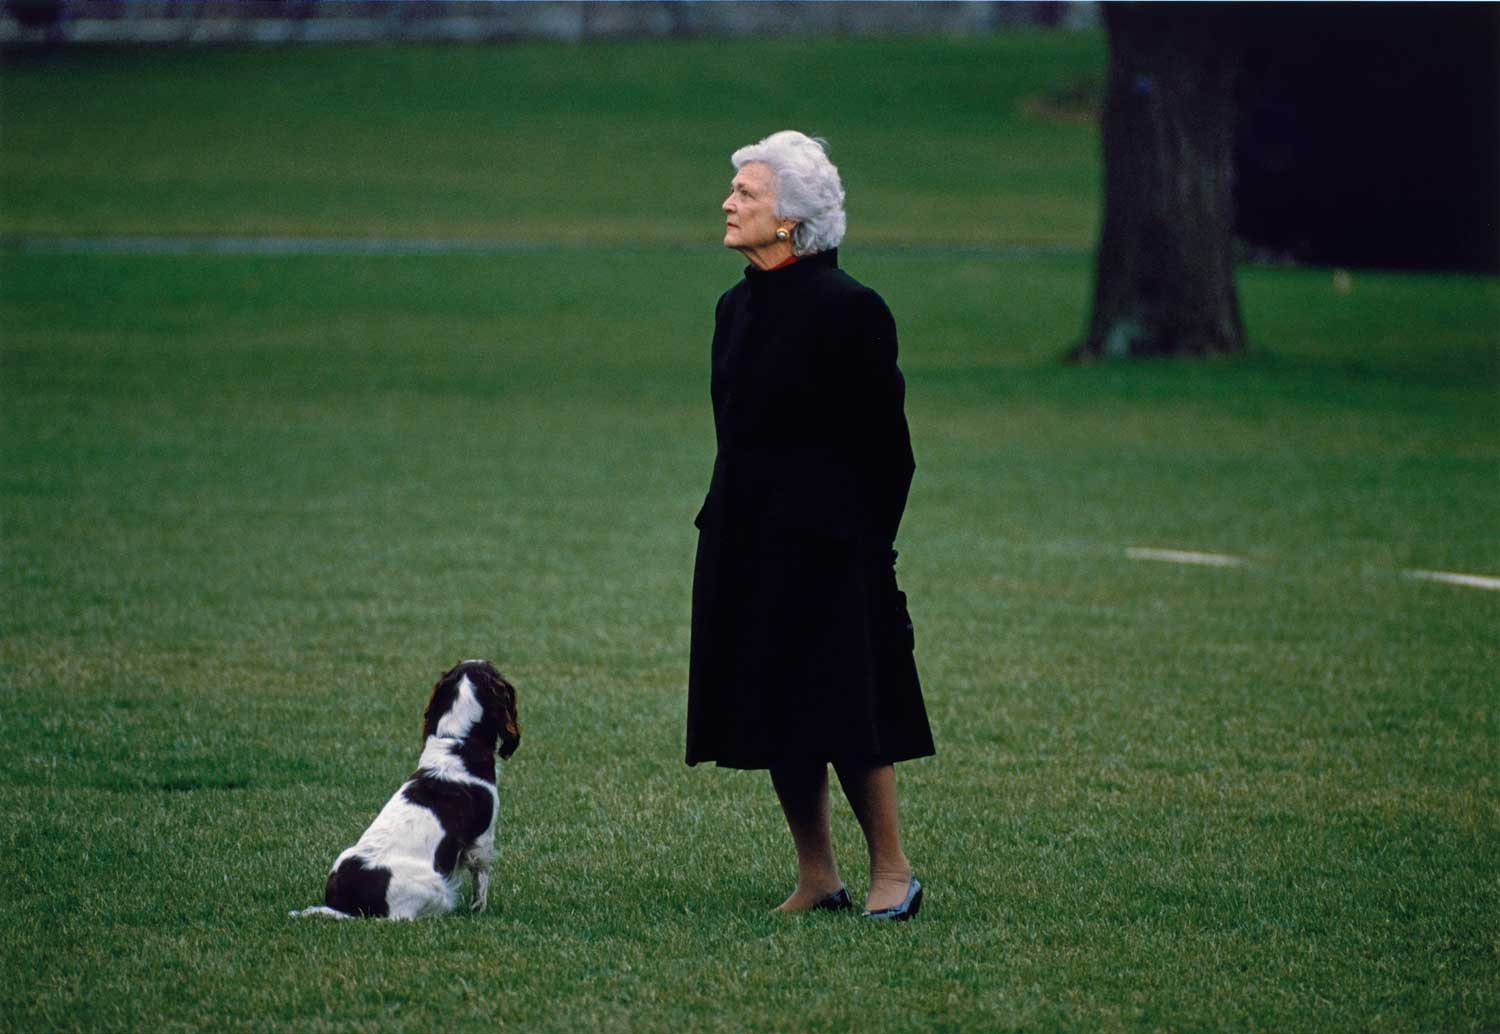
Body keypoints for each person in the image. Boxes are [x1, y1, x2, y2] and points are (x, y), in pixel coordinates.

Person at [686, 130, 935, 920]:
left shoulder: (852, 310)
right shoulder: (734, 308)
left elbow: (888, 449)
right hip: (746, 540)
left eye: (747, 195)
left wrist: (868, 545)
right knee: (773, 706)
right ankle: (817, 875)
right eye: (734, 193)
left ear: (790, 219)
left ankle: (893, 873)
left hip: (834, 547)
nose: (728, 204)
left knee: (848, 709)